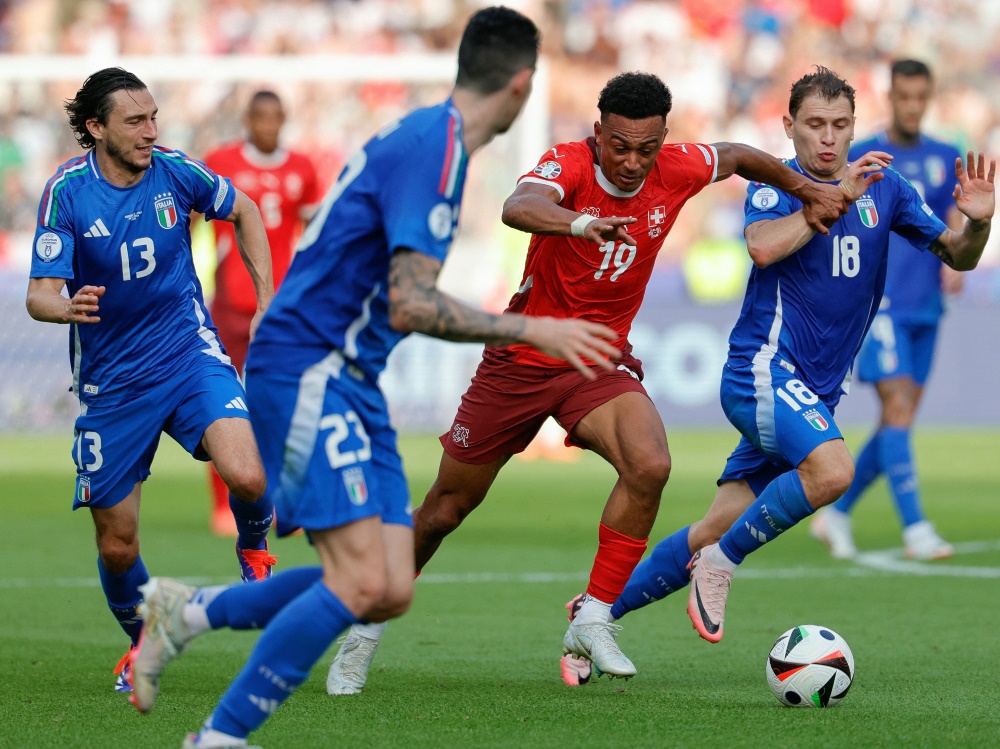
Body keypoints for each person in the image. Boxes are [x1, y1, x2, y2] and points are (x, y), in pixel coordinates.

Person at [125, 8, 620, 747]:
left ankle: (186, 611)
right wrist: (532, 326)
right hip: (308, 368)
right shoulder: (437, 150)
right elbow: (411, 300)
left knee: (388, 586)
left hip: (350, 377)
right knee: (357, 580)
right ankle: (220, 736)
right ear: (523, 84)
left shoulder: (434, 138)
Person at [325, 69, 854, 692]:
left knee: (651, 463)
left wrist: (807, 191)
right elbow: (516, 206)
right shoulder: (569, 165)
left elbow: (737, 156)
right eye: (620, 146)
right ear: (599, 133)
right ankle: (363, 629)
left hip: (597, 360)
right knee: (445, 509)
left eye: (647, 149)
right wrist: (578, 223)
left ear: (664, 140)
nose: (632, 163)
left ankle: (596, 615)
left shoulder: (677, 167)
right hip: (522, 357)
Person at [586, 66, 992, 651]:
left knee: (712, 526)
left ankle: (594, 615)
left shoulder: (888, 187)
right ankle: (721, 565)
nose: (827, 138)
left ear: (855, 129)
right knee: (832, 472)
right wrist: (825, 202)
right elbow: (761, 246)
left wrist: (976, 222)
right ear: (790, 127)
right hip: (761, 374)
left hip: (814, 392)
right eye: (815, 125)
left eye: (840, 125)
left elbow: (959, 256)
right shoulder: (780, 185)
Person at [25, 68, 278, 695]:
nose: (150, 131)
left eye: (153, 117)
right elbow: (39, 295)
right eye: (135, 122)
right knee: (117, 544)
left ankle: (254, 553)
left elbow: (244, 210)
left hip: (187, 354)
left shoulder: (175, 171)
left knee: (247, 475)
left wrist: (266, 299)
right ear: (96, 128)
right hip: (112, 384)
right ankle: (143, 645)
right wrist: (67, 306)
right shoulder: (67, 191)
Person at [810, 60, 964, 561]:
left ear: (929, 97)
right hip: (882, 305)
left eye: (921, 97)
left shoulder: (946, 155)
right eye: (905, 97)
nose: (913, 107)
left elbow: (952, 212)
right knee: (896, 408)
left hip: (926, 306)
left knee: (898, 421)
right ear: (891, 96)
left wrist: (959, 255)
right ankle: (916, 527)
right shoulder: (868, 157)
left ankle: (835, 513)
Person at [203, 91, 321, 537]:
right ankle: (222, 504)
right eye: (260, 117)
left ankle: (288, 499)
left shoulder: (303, 168)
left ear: (285, 118)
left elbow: (314, 236)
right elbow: (189, 223)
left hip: (284, 307)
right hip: (231, 302)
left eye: (276, 117)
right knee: (221, 403)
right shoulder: (221, 161)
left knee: (286, 403)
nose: (268, 125)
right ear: (248, 119)